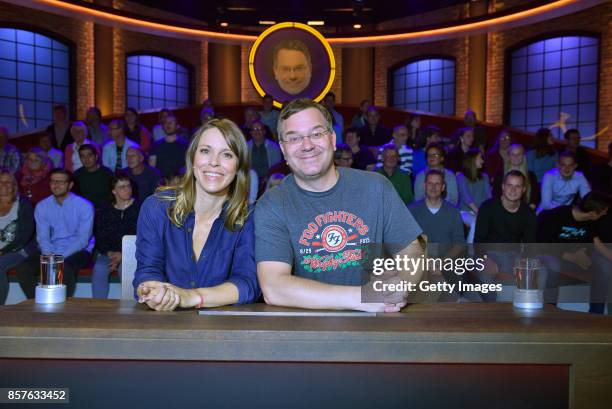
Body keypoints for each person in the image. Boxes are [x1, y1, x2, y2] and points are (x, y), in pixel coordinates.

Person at [254, 99, 424, 312]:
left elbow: (414, 252)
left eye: (316, 134)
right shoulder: (272, 204)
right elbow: (274, 287)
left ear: (333, 140)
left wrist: (399, 286)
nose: (307, 145)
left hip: (378, 328)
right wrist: (363, 298)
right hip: (304, 333)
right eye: (294, 138)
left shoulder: (376, 187)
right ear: (283, 150)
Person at [134, 118, 260, 311]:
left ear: (238, 167)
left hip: (224, 330)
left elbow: (247, 284)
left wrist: (190, 297)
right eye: (205, 151)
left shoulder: (249, 218)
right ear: (192, 158)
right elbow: (148, 271)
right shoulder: (157, 207)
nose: (213, 162)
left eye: (226, 154)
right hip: (164, 325)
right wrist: (152, 291)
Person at [16, 169, 94, 298]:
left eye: (61, 182)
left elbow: (83, 239)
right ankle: (37, 303)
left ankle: (62, 311)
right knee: (23, 269)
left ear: (70, 185)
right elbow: (43, 237)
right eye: (53, 181)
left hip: (77, 250)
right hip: (51, 250)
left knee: (64, 269)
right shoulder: (42, 206)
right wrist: (49, 255)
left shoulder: (84, 206)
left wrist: (59, 258)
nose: (56, 185)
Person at [474, 171, 538, 300]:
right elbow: (478, 241)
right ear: (503, 186)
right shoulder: (488, 207)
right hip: (487, 253)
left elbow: (530, 246)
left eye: (518, 186)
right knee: (485, 279)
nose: (513, 190)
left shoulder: (528, 213)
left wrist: (522, 264)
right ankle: (494, 314)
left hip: (513, 255)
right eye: (509, 185)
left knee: (528, 278)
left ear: (523, 190)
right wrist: (485, 259)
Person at [537, 192, 609, 304]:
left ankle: (596, 313)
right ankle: (550, 308)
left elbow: (596, 243)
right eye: (603, 212)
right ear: (592, 213)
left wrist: (583, 253)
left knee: (603, 265)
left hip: (575, 257)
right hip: (552, 254)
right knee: (554, 265)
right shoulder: (557, 215)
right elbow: (543, 244)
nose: (605, 214)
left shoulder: (591, 222)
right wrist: (571, 257)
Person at [92, 173, 139, 298]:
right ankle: (97, 308)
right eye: (122, 187)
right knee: (100, 268)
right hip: (109, 253)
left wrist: (124, 254)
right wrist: (110, 253)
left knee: (126, 269)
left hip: (134, 253)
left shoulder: (140, 208)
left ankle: (130, 307)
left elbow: (142, 236)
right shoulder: (105, 210)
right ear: (114, 190)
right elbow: (100, 235)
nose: (127, 189)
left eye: (128, 186)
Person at [0, 170, 36, 305]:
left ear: (14, 185)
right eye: (1, 181)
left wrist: (3, 251)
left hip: (18, 249)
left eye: (8, 182)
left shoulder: (23, 204)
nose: (4, 185)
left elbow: (24, 235)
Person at [409, 169, 465, 245]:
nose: (433, 187)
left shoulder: (453, 212)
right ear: (424, 186)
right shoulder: (412, 210)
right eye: (430, 183)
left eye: (437, 184)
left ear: (443, 187)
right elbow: (407, 240)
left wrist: (447, 257)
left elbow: (459, 242)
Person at [456, 149, 492, 243]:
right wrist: (479, 212)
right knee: (476, 223)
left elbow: (488, 196)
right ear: (472, 160)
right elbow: (466, 197)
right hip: (464, 211)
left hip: (480, 212)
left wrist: (487, 212)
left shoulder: (484, 177)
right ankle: (470, 253)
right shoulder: (461, 177)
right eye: (480, 158)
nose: (483, 161)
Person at [492, 144, 539, 210]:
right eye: (513, 154)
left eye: (519, 154)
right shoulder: (500, 175)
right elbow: (496, 196)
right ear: (508, 156)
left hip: (524, 211)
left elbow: (534, 199)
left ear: (523, 156)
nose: (516, 157)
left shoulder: (531, 176)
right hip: (503, 209)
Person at [149, 113, 190, 180]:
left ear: (177, 126)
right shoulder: (155, 146)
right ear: (162, 126)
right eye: (165, 123)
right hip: (162, 184)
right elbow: (152, 169)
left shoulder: (185, 145)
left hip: (180, 183)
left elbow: (189, 167)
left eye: (171, 122)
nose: (168, 125)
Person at [73, 144, 114, 208]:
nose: (86, 159)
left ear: (96, 157)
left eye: (90, 155)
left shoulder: (107, 173)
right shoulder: (76, 175)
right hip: (84, 210)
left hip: (104, 210)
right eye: (83, 156)